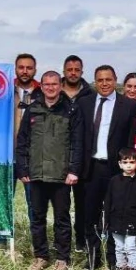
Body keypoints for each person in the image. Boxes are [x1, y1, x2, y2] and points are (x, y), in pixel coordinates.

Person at [15, 70, 81, 270]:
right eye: (47, 84)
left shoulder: (71, 109)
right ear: (41, 87)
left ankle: (62, 259)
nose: (51, 88)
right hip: (36, 174)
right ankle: (41, 256)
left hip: (61, 176)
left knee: (62, 219)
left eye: (54, 84)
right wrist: (22, 168)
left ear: (60, 85)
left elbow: (77, 142)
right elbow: (22, 141)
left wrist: (73, 170)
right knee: (37, 218)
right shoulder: (32, 109)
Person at [78, 65, 136, 270]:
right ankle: (93, 257)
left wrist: (129, 168)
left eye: (108, 79)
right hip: (92, 168)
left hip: (116, 169)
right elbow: (79, 137)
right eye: (100, 80)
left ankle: (115, 260)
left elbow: (130, 140)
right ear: (94, 81)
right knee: (90, 214)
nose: (104, 84)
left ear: (115, 81)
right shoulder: (85, 103)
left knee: (116, 214)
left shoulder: (128, 106)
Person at [60, 55, 95, 253]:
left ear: (82, 71)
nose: (73, 73)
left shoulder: (90, 95)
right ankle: (63, 243)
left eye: (77, 69)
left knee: (83, 204)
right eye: (69, 69)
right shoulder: (54, 91)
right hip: (59, 157)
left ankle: (82, 240)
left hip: (83, 158)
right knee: (61, 204)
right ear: (64, 71)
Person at [104, 147, 136, 270]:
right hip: (116, 222)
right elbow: (108, 202)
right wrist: (106, 222)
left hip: (132, 223)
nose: (128, 165)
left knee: (130, 247)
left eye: (132, 162)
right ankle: (121, 269)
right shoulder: (114, 181)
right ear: (120, 164)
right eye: (125, 162)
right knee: (119, 247)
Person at [12, 54, 41, 238]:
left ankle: (36, 239)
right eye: (21, 67)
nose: (25, 71)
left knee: (34, 202)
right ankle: (2, 238)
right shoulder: (4, 90)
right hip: (7, 155)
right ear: (15, 69)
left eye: (29, 68)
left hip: (32, 158)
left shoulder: (42, 92)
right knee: (5, 199)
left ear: (35, 70)